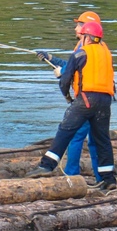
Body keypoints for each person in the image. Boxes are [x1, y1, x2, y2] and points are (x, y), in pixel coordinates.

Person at [27, 20, 117, 190]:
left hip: (85, 99)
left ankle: (46, 166)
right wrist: (52, 60)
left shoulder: (80, 53)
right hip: (105, 101)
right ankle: (108, 179)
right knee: (102, 139)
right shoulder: (106, 53)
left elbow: (66, 80)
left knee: (65, 130)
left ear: (87, 37)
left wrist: (67, 96)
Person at [35, 11, 101, 178]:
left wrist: (62, 74)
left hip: (86, 100)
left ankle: (71, 174)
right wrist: (52, 59)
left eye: (78, 24)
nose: (75, 28)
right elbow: (72, 65)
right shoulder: (93, 47)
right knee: (95, 140)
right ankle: (102, 177)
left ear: (86, 29)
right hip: (100, 100)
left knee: (75, 135)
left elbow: (74, 70)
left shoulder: (85, 48)